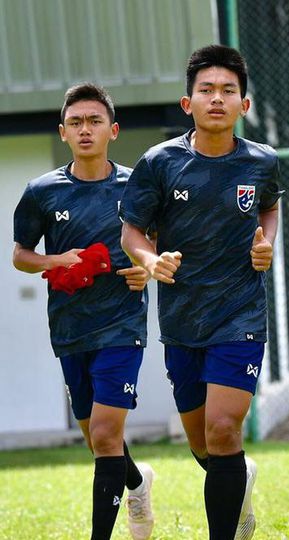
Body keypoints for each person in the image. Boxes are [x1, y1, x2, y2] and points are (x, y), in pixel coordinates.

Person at [120, 45, 281, 540]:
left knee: (224, 430)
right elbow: (131, 231)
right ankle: (241, 484)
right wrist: (150, 260)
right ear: (187, 103)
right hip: (183, 319)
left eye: (228, 91)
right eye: (206, 90)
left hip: (241, 315)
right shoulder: (160, 162)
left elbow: (270, 210)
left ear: (243, 105)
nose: (217, 98)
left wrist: (266, 244)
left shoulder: (262, 162)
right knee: (204, 445)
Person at [12, 83, 154, 540]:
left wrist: (145, 271)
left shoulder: (137, 185)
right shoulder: (41, 192)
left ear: (113, 129)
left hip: (123, 324)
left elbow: (159, 245)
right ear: (63, 132)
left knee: (108, 436)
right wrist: (56, 261)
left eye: (94, 121)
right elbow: (20, 254)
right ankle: (137, 482)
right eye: (76, 122)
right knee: (97, 440)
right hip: (71, 327)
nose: (85, 130)